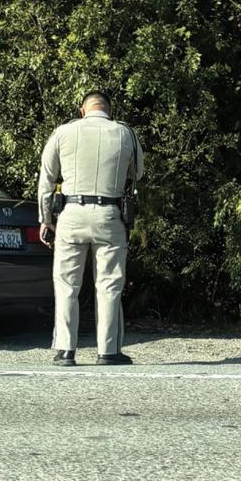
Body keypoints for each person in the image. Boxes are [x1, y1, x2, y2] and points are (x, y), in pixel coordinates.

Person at [37, 92, 142, 366]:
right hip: (110, 214)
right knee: (109, 285)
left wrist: (46, 218)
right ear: (109, 109)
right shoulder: (125, 133)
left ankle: (65, 350)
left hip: (71, 213)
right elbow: (138, 172)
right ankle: (108, 351)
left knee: (66, 284)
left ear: (82, 110)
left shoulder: (63, 132)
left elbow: (47, 179)